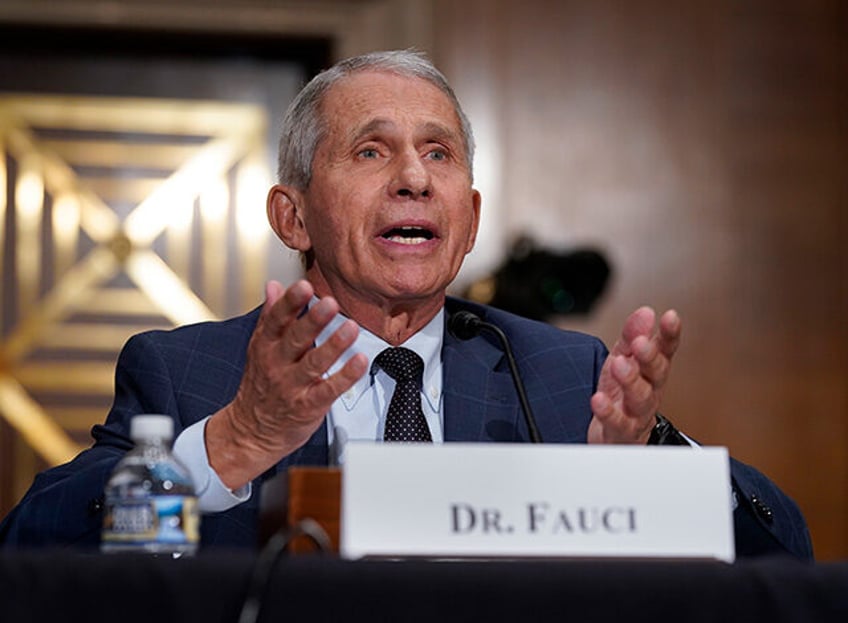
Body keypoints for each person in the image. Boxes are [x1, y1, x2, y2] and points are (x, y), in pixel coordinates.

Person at [0, 50, 811, 559]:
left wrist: (648, 464)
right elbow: (33, 554)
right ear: (292, 216)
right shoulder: (188, 374)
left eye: (438, 153)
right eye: (371, 150)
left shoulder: (562, 376)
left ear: (471, 220)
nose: (415, 179)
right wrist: (233, 444)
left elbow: (785, 554)